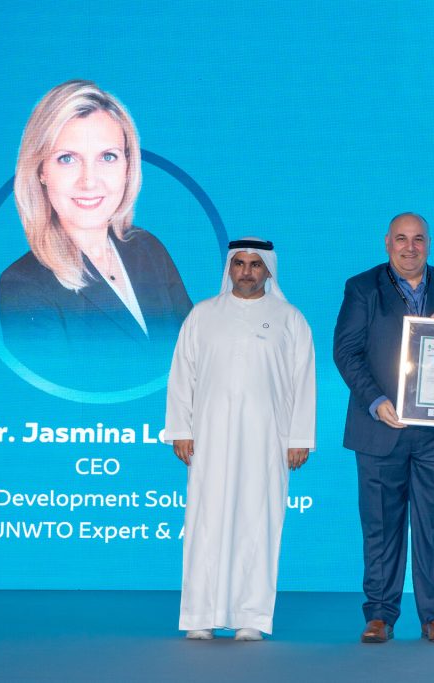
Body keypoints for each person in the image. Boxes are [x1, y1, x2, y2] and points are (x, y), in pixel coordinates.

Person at [333, 212, 434, 644]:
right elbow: (346, 352)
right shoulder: (362, 288)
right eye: (401, 239)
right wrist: (375, 401)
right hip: (380, 427)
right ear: (387, 243)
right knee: (380, 526)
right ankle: (380, 615)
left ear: (429, 243)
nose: (410, 247)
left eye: (418, 239)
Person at [163, 238, 315, 641]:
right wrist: (181, 429)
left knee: (258, 522)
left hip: (268, 441)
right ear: (229, 268)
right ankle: (200, 615)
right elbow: (182, 374)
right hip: (209, 439)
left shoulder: (289, 319)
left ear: (268, 270)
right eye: (239, 264)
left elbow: (304, 381)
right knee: (204, 522)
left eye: (255, 265)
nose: (246, 272)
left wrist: (299, 437)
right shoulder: (203, 315)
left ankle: (252, 616)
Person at [0, 79, 191, 386]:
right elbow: (60, 405)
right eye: (67, 159)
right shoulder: (24, 286)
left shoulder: (148, 248)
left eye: (107, 157)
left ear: (127, 166)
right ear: (41, 170)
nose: (89, 181)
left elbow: (196, 356)